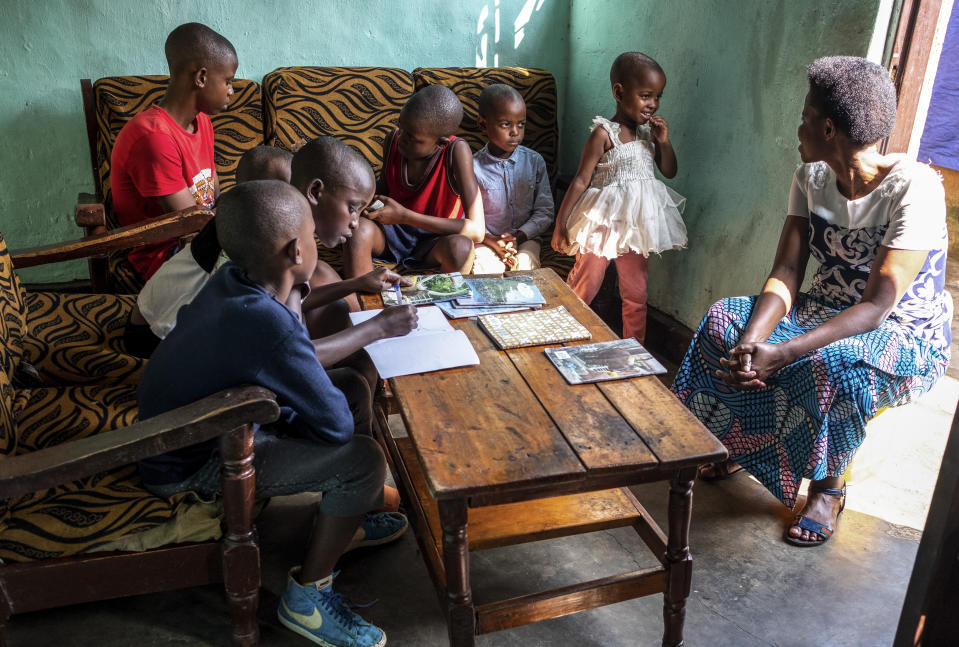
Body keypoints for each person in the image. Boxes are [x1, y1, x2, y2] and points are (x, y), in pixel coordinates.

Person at [671, 56, 952, 547]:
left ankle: (829, 487)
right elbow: (786, 272)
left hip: (901, 334)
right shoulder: (811, 178)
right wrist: (753, 343)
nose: (797, 127)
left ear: (827, 127)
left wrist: (785, 351)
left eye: (804, 117)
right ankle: (736, 441)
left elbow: (876, 308)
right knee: (725, 321)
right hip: (821, 308)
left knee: (831, 365)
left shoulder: (915, 189)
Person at [138, 180, 411, 646]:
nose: (318, 243)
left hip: (208, 426)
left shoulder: (234, 283)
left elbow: (291, 339)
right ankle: (307, 597)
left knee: (346, 384)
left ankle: (353, 518)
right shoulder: (265, 323)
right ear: (294, 251)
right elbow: (335, 424)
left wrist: (301, 293)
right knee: (364, 460)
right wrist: (377, 330)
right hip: (191, 463)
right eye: (310, 234)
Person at [551, 52, 686, 344]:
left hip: (636, 227)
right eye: (646, 95)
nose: (653, 104)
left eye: (658, 97)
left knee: (636, 291)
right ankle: (562, 334)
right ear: (619, 92)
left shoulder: (649, 136)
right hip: (602, 222)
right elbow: (580, 181)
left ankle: (633, 348)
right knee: (586, 282)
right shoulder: (604, 133)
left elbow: (669, 171)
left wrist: (664, 141)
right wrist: (561, 226)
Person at [110, 22, 237, 282]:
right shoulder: (154, 137)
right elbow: (192, 224)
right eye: (228, 81)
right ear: (201, 78)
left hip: (202, 237)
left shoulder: (202, 122)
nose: (231, 91)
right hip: (165, 255)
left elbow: (214, 196)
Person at [343, 84, 485, 278]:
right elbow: (384, 190)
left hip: (434, 241)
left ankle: (442, 305)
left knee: (462, 247)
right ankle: (364, 304)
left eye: (412, 137)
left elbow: (477, 230)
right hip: (392, 234)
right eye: (401, 127)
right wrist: (362, 205)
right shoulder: (393, 140)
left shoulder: (456, 152)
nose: (401, 138)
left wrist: (405, 216)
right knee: (358, 231)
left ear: (440, 144)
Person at [471, 84, 554, 273]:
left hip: (526, 237)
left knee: (526, 266)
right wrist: (491, 241)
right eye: (506, 124)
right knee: (488, 270)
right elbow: (463, 218)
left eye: (521, 124)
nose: (515, 132)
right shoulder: (472, 167)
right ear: (483, 124)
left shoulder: (534, 162)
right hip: (486, 241)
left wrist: (519, 236)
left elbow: (545, 211)